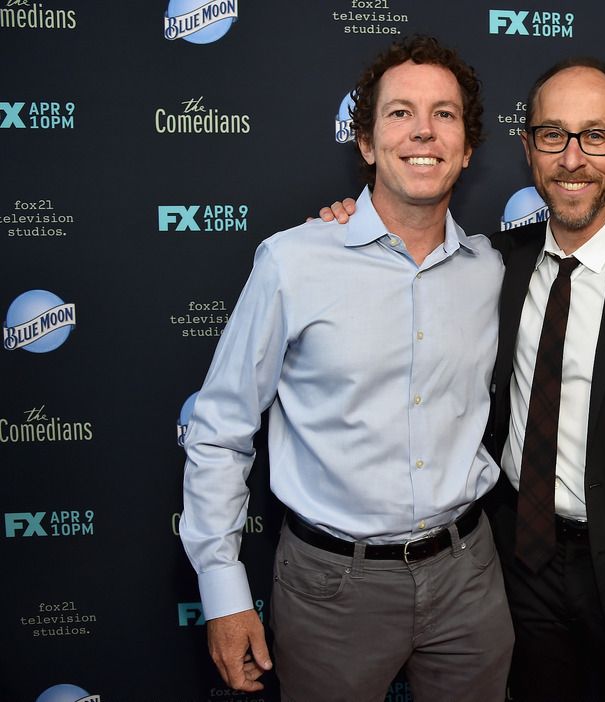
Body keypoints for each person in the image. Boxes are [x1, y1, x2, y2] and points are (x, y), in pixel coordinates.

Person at [323, 56, 605, 702]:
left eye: (595, 136)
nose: (573, 158)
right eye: (553, 134)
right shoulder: (493, 264)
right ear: (529, 149)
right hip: (517, 572)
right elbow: (406, 250)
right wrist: (347, 224)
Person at [180, 35, 513, 701]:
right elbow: (219, 429)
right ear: (365, 144)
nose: (424, 130)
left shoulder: (493, 269)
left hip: (469, 577)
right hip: (332, 589)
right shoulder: (293, 262)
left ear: (468, 149)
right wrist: (222, 592)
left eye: (445, 114)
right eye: (400, 113)